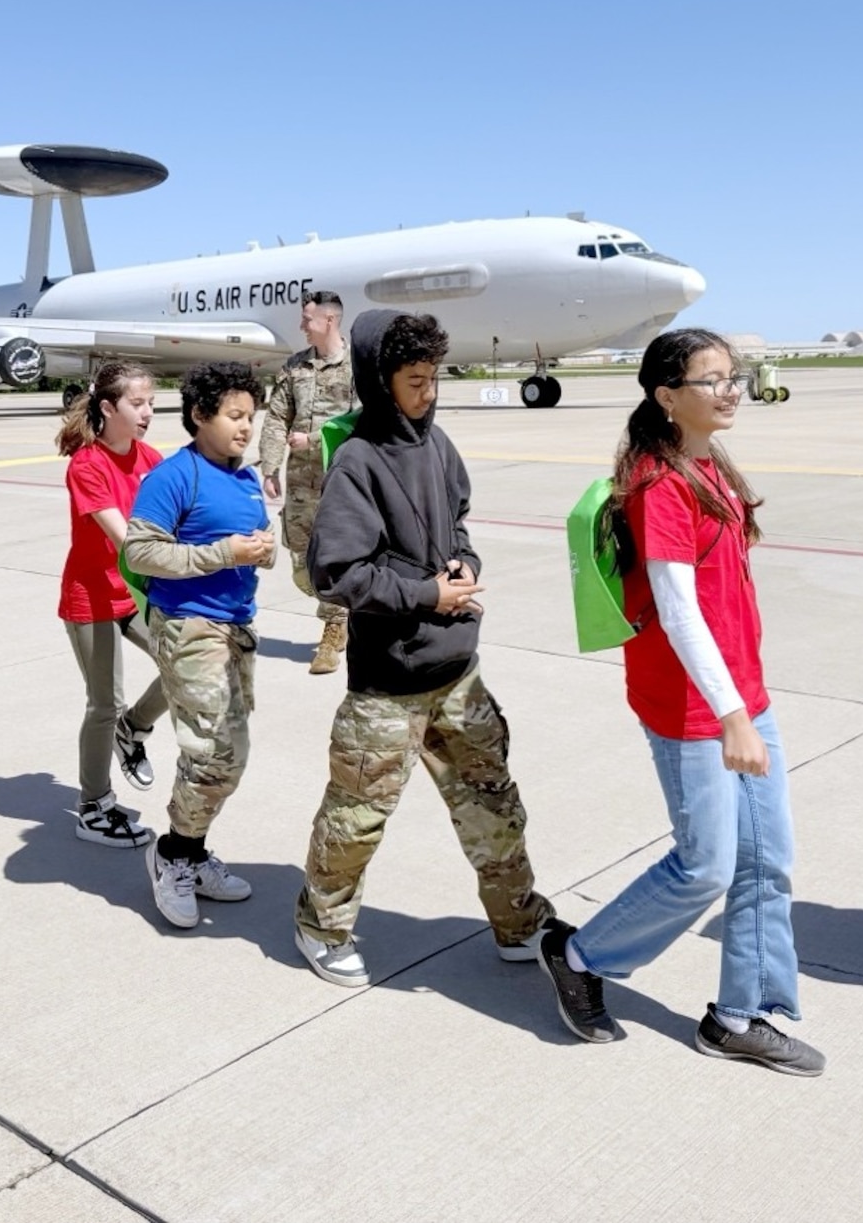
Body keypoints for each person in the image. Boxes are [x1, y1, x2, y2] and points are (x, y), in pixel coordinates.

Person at [535, 329, 822, 1075]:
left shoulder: (709, 464)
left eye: (735, 376)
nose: (731, 390)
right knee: (706, 866)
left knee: (769, 861)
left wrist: (745, 700)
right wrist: (731, 715)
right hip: (693, 705)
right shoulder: (661, 485)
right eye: (712, 379)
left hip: (739, 693)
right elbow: (677, 608)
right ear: (667, 396)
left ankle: (739, 1016)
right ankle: (579, 952)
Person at [293, 310, 557, 987]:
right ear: (382, 381)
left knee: (494, 806)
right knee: (356, 819)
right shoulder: (357, 460)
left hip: (457, 671)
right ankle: (321, 926)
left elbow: (458, 523)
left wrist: (462, 566)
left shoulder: (438, 445)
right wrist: (425, 594)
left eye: (434, 377)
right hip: (389, 683)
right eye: (415, 380)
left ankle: (519, 922)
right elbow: (337, 572)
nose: (429, 391)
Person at [123, 362, 275, 929]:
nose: (246, 427)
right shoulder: (173, 476)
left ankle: (189, 847)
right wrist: (222, 555)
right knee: (216, 753)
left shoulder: (244, 477)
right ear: (199, 416)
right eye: (235, 416)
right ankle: (173, 856)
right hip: (188, 626)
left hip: (236, 627)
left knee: (224, 755)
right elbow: (140, 553)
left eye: (251, 417)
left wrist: (262, 548)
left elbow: (250, 541)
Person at [56, 361, 168, 848]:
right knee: (104, 703)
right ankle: (93, 806)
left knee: (183, 665)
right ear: (108, 407)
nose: (147, 413)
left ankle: (135, 728)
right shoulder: (87, 464)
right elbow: (129, 543)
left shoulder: (152, 459)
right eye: (137, 404)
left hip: (135, 594)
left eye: (151, 404)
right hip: (92, 596)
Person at [258, 291, 355, 674]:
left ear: (329, 321)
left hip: (342, 482)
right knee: (301, 564)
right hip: (300, 482)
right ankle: (342, 612)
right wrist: (269, 466)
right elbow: (277, 417)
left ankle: (334, 628)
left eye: (307, 319)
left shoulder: (356, 367)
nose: (302, 325)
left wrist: (314, 440)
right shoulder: (295, 367)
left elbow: (364, 421)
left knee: (335, 557)